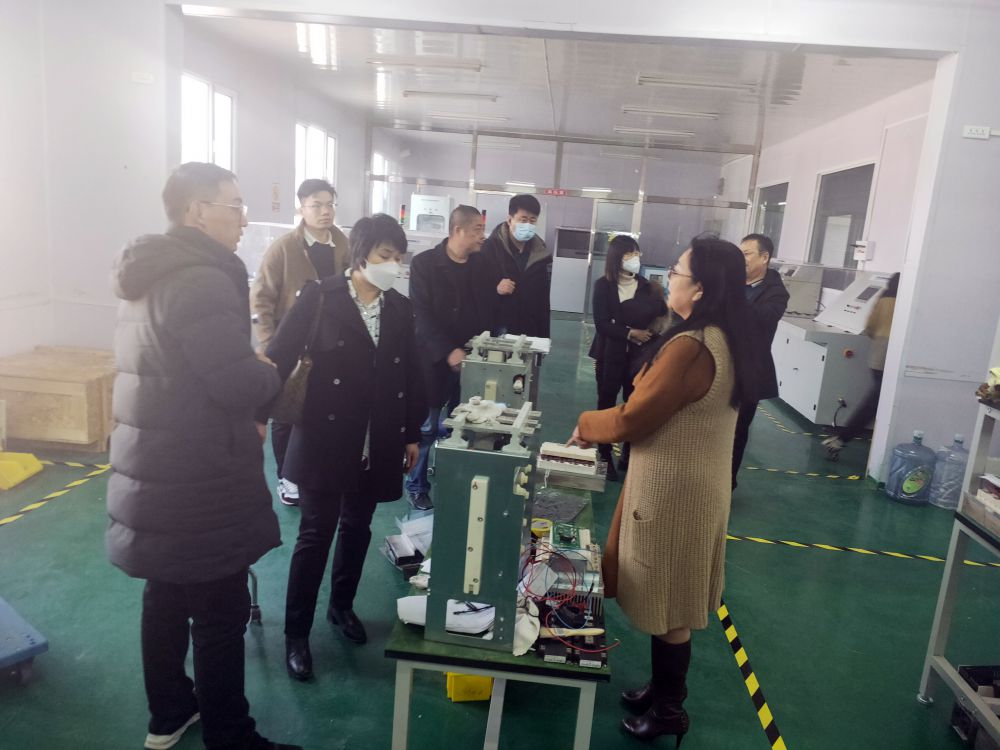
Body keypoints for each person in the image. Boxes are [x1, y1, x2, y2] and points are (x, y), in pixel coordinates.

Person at [107, 162, 300, 750]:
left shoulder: (150, 273)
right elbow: (235, 383)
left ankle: (169, 713)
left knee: (165, 594)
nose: (243, 219)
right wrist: (267, 371)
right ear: (197, 211)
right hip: (198, 475)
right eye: (234, 206)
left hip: (156, 465)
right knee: (219, 610)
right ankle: (231, 736)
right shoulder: (201, 279)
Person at [568, 236, 759, 746]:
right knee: (668, 592)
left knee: (670, 600)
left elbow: (635, 416)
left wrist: (586, 425)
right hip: (695, 484)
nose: (667, 277)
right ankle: (661, 690)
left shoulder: (692, 347)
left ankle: (670, 710)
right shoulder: (722, 336)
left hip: (677, 492)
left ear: (700, 288)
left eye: (676, 271)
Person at [263, 214, 426, 680]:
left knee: (357, 527)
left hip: (378, 438)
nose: (393, 266)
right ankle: (296, 634)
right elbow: (279, 354)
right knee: (316, 533)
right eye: (384, 256)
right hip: (325, 436)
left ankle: (341, 606)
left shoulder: (400, 308)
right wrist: (255, 414)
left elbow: (411, 372)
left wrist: (411, 432)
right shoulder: (320, 296)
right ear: (360, 256)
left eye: (398, 258)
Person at [250, 179, 350, 506]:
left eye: (330, 204)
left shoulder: (342, 243)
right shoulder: (284, 248)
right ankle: (286, 477)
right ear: (301, 208)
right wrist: (270, 342)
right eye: (316, 205)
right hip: (290, 343)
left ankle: (315, 468)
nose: (325, 211)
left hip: (330, 343)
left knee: (321, 407)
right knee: (285, 412)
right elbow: (261, 297)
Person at [404, 205, 490, 511]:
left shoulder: (481, 265)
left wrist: (481, 346)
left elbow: (485, 309)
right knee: (427, 427)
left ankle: (455, 483)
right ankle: (417, 485)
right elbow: (420, 314)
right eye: (477, 229)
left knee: (463, 423)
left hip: (470, 359)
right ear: (457, 230)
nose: (483, 236)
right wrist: (447, 350)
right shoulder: (425, 264)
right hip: (431, 358)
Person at [588, 234, 666, 481]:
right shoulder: (603, 286)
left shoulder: (648, 287)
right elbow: (601, 323)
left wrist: (650, 333)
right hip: (609, 354)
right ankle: (604, 455)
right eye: (629, 254)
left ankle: (629, 452)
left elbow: (660, 315)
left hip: (639, 357)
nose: (635, 258)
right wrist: (629, 333)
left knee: (635, 404)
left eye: (636, 253)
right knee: (606, 402)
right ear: (616, 258)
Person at [731, 232, 789, 490]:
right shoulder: (732, 283)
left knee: (737, 431)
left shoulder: (776, 293)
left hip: (749, 371)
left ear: (764, 258)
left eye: (746, 254)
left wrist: (731, 298)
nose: (740, 259)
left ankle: (727, 483)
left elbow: (762, 319)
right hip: (720, 364)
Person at [822, 272, 900, 457]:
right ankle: (842, 439)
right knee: (873, 403)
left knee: (875, 401)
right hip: (893, 358)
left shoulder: (883, 298)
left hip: (877, 357)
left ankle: (845, 438)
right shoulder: (904, 303)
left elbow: (870, 327)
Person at [479, 194, 552, 338]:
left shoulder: (540, 254)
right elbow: (476, 290)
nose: (528, 225)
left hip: (529, 330)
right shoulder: (490, 249)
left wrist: (544, 337)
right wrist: (496, 289)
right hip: (498, 330)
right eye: (523, 220)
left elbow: (543, 302)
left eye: (532, 220)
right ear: (509, 219)